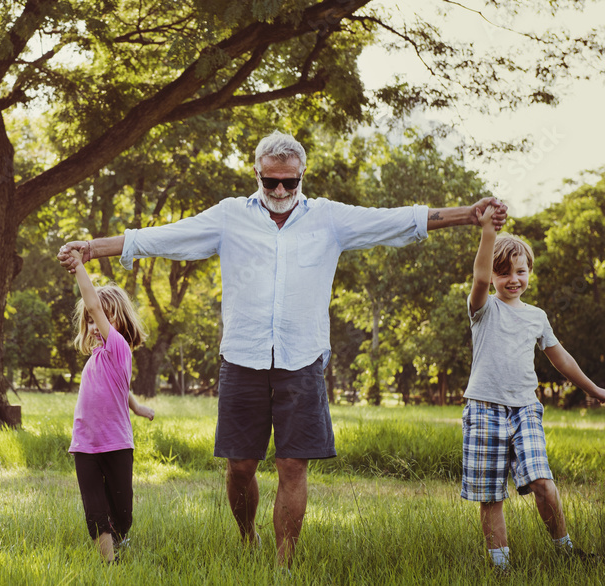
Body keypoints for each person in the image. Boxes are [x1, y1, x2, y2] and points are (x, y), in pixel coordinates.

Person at [58, 130, 508, 567]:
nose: (278, 189)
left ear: (301, 176)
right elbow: (166, 237)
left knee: (293, 467)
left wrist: (469, 214)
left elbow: (396, 220)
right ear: (256, 173)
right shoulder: (231, 215)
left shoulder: (328, 217)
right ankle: (247, 535)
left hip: (302, 359)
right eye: (269, 180)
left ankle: (283, 565)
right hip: (242, 357)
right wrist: (95, 248)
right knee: (240, 467)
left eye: (288, 181)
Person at [462, 207, 604, 572]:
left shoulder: (536, 316)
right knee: (491, 494)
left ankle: (565, 548)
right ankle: (501, 566)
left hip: (525, 408)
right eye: (503, 272)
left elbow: (563, 360)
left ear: (530, 273)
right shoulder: (483, 308)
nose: (513, 279)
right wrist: (488, 231)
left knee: (542, 480)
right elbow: (478, 277)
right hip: (483, 408)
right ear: (493, 275)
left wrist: (596, 390)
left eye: (520, 271)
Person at [66, 247, 155, 564]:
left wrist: (79, 266)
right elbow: (119, 390)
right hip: (85, 444)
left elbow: (92, 301)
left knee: (123, 512)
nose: (95, 324)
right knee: (95, 508)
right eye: (90, 319)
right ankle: (108, 565)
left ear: (119, 321)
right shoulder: (95, 359)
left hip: (116, 444)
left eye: (103, 317)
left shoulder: (120, 349)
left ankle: (119, 538)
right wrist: (137, 407)